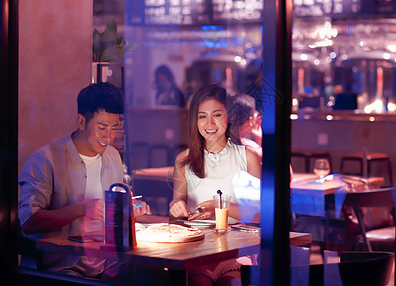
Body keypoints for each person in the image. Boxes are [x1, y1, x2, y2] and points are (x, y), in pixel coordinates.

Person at [18, 82, 151, 280]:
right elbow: (28, 222)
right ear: (81, 122)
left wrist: (127, 210)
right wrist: (82, 209)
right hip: (63, 267)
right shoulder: (45, 159)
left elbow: (110, 216)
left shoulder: (113, 156)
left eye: (114, 128)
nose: (109, 137)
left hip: (109, 263)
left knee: (157, 277)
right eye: (102, 127)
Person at [169, 85, 261, 285]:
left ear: (229, 117)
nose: (209, 123)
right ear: (195, 121)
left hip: (237, 252)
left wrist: (219, 209)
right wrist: (176, 209)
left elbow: (261, 215)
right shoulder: (183, 160)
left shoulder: (247, 157)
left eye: (216, 115)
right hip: (198, 252)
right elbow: (175, 218)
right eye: (202, 116)